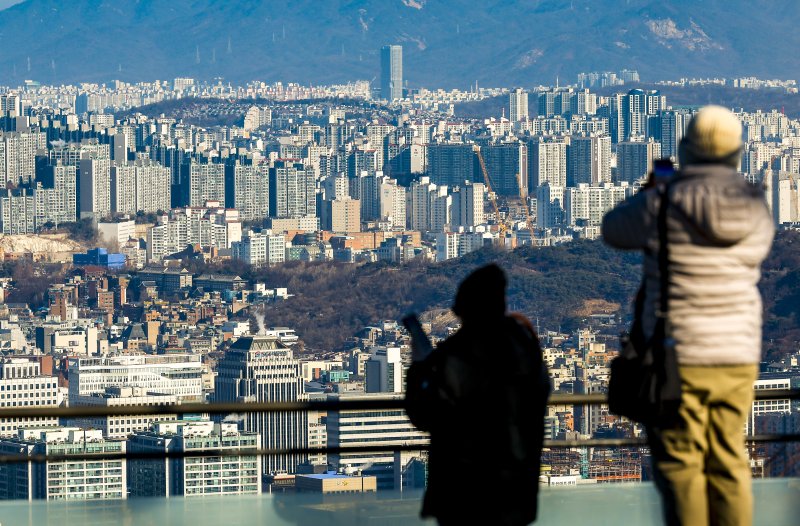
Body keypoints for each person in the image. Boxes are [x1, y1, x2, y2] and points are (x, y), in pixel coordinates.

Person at [602, 105, 775, 526]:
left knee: (682, 463)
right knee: (730, 458)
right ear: (737, 151)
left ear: (686, 150)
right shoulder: (755, 205)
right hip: (738, 352)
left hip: (678, 352)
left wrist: (650, 192)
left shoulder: (663, 202)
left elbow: (613, 230)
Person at [405, 264, 550, 526]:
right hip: (516, 483)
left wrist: (419, 367)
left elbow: (423, 415)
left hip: (465, 487)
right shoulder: (524, 345)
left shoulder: (459, 355)